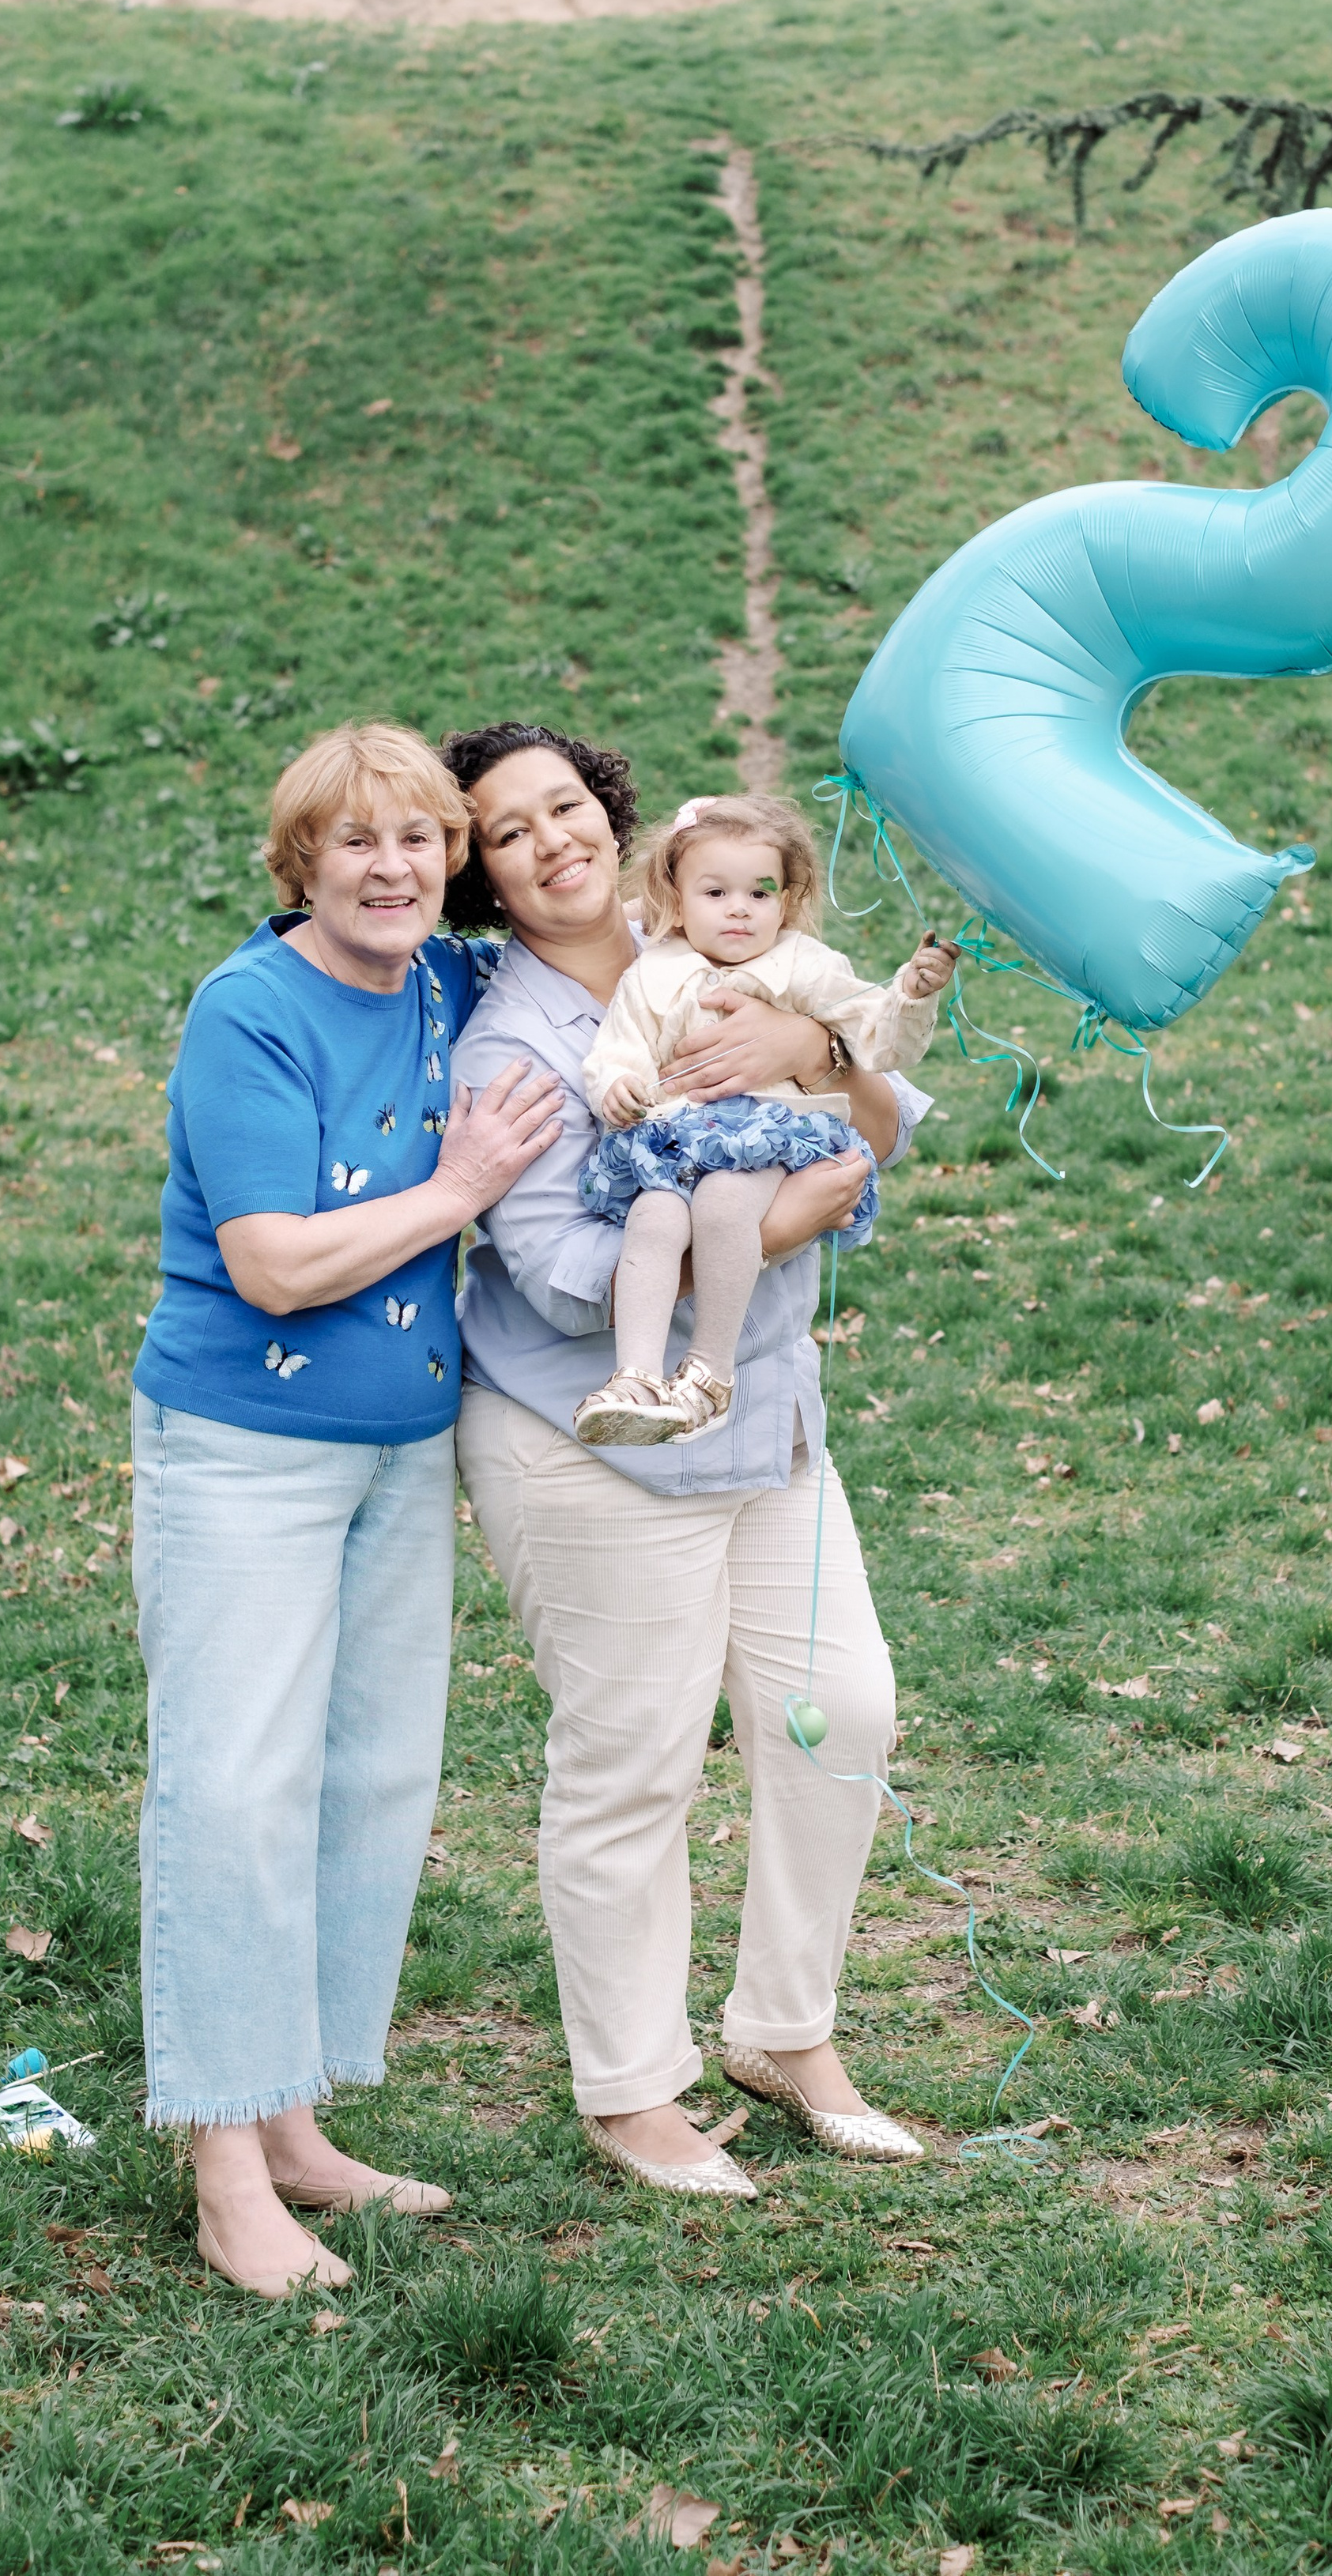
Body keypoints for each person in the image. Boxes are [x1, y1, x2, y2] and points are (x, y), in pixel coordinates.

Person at [442, 720, 932, 2197]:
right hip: (591, 1441)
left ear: (615, 814)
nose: (550, 838)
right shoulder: (516, 1036)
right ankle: (633, 2089)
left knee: (841, 1709)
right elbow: (554, 1268)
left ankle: (786, 2031)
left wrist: (826, 1048)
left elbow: (886, 1126)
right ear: (485, 875)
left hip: (767, 1413)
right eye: (508, 830)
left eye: (565, 805)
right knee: (634, 1766)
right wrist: (777, 1221)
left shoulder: (733, 933)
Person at [130, 720, 560, 2297]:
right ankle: (225, 2171)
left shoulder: (450, 989)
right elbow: (270, 1262)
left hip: (400, 1446)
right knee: (233, 1792)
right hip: (244, 1446)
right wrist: (458, 1190)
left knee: (364, 1779)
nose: (391, 869)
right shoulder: (249, 1010)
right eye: (355, 841)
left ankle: (296, 2118)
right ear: (298, 860)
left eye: (418, 841)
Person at [574, 789, 954, 1446]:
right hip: (676, 1140)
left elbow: (874, 1037)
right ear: (675, 895)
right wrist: (617, 1086)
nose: (740, 911)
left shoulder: (801, 963)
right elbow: (619, 1050)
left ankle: (708, 1376)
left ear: (787, 897)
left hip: (770, 1139)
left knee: (724, 1204)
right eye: (716, 893)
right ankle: (635, 1376)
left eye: (760, 893)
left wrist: (910, 994)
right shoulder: (652, 975)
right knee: (654, 1216)